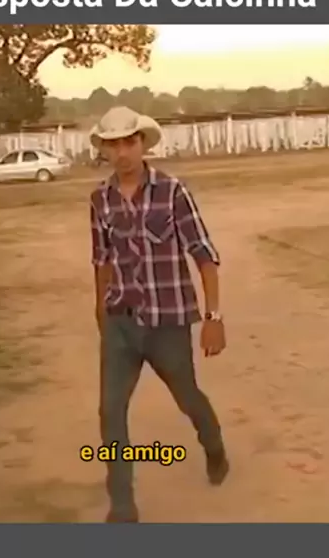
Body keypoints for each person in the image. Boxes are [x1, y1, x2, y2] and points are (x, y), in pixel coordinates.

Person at [89, 106, 229, 523]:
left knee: (187, 397)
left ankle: (213, 446)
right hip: (120, 321)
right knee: (110, 410)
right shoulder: (100, 199)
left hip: (168, 321)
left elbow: (204, 255)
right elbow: (102, 260)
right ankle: (122, 504)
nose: (122, 152)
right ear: (104, 150)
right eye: (113, 144)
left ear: (142, 143)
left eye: (128, 142)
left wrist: (214, 317)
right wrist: (101, 311)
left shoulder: (172, 192)